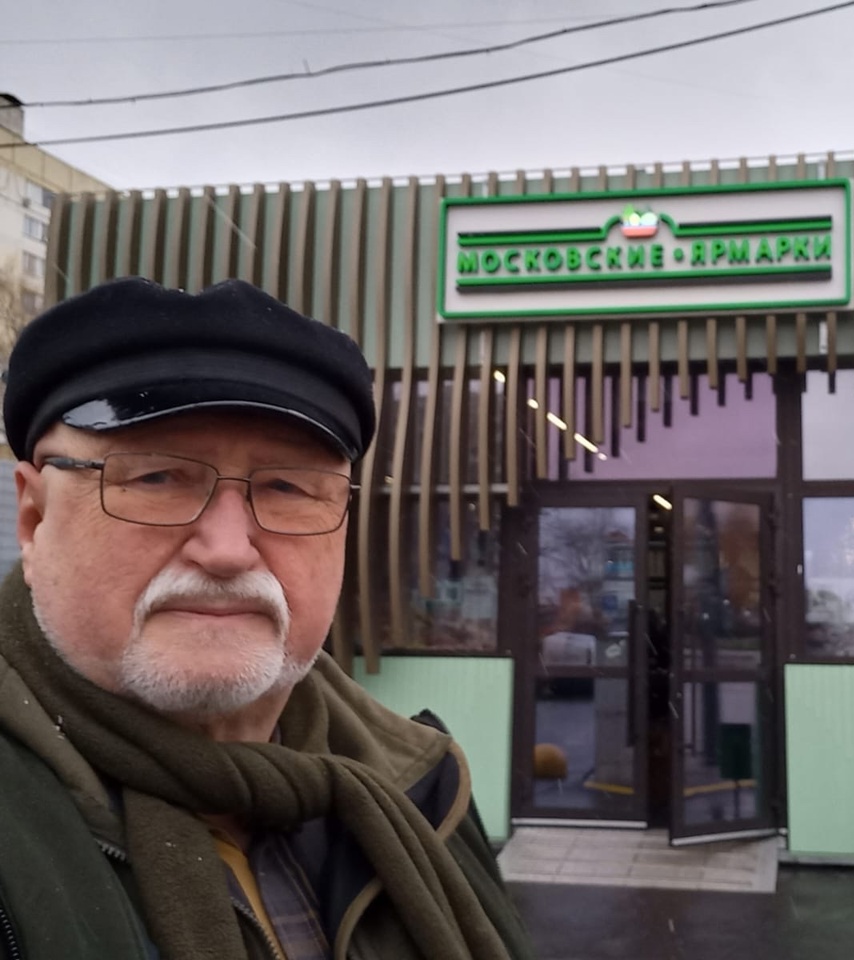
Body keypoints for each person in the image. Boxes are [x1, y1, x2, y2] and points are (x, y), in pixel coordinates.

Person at [0, 277, 535, 960]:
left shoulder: (422, 789)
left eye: (288, 487)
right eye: (156, 478)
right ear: (34, 517)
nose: (227, 549)